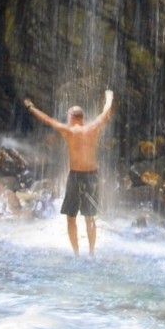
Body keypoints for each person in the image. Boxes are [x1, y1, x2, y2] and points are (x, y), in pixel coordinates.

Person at [24, 90, 114, 254]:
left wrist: (31, 107)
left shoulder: (69, 131)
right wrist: (109, 97)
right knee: (90, 216)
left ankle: (76, 254)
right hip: (92, 176)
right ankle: (92, 252)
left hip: (76, 176)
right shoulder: (93, 128)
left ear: (72, 118)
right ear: (83, 118)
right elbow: (106, 113)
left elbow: (47, 120)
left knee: (71, 217)